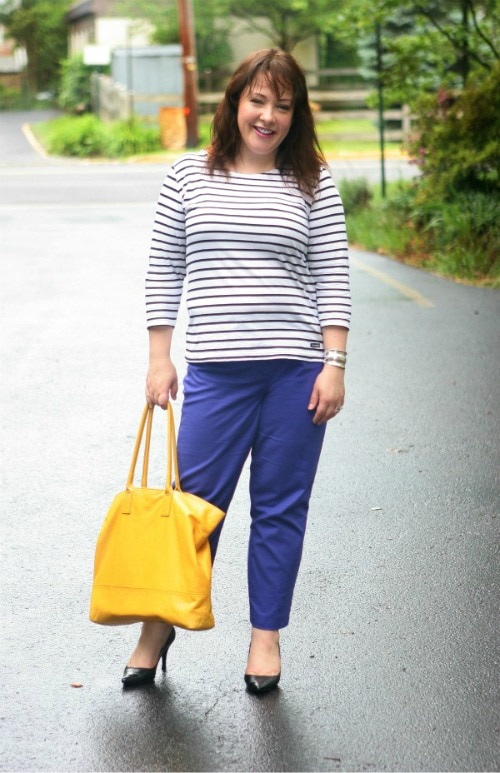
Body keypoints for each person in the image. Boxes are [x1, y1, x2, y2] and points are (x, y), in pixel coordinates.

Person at [121, 47, 351, 694]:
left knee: (280, 508)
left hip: (296, 371)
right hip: (218, 373)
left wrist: (334, 362)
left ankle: (265, 636)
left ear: (296, 114)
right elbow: (165, 265)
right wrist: (158, 356)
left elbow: (332, 272)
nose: (268, 115)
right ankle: (159, 624)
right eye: (258, 100)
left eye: (283, 104)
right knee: (193, 508)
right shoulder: (188, 176)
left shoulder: (313, 179)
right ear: (235, 101)